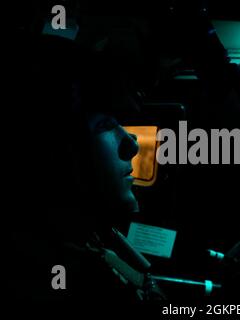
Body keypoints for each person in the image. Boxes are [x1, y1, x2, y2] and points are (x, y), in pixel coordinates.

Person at [5, 33, 163, 303]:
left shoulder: (90, 237)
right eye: (103, 125)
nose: (132, 146)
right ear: (53, 152)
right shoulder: (52, 278)